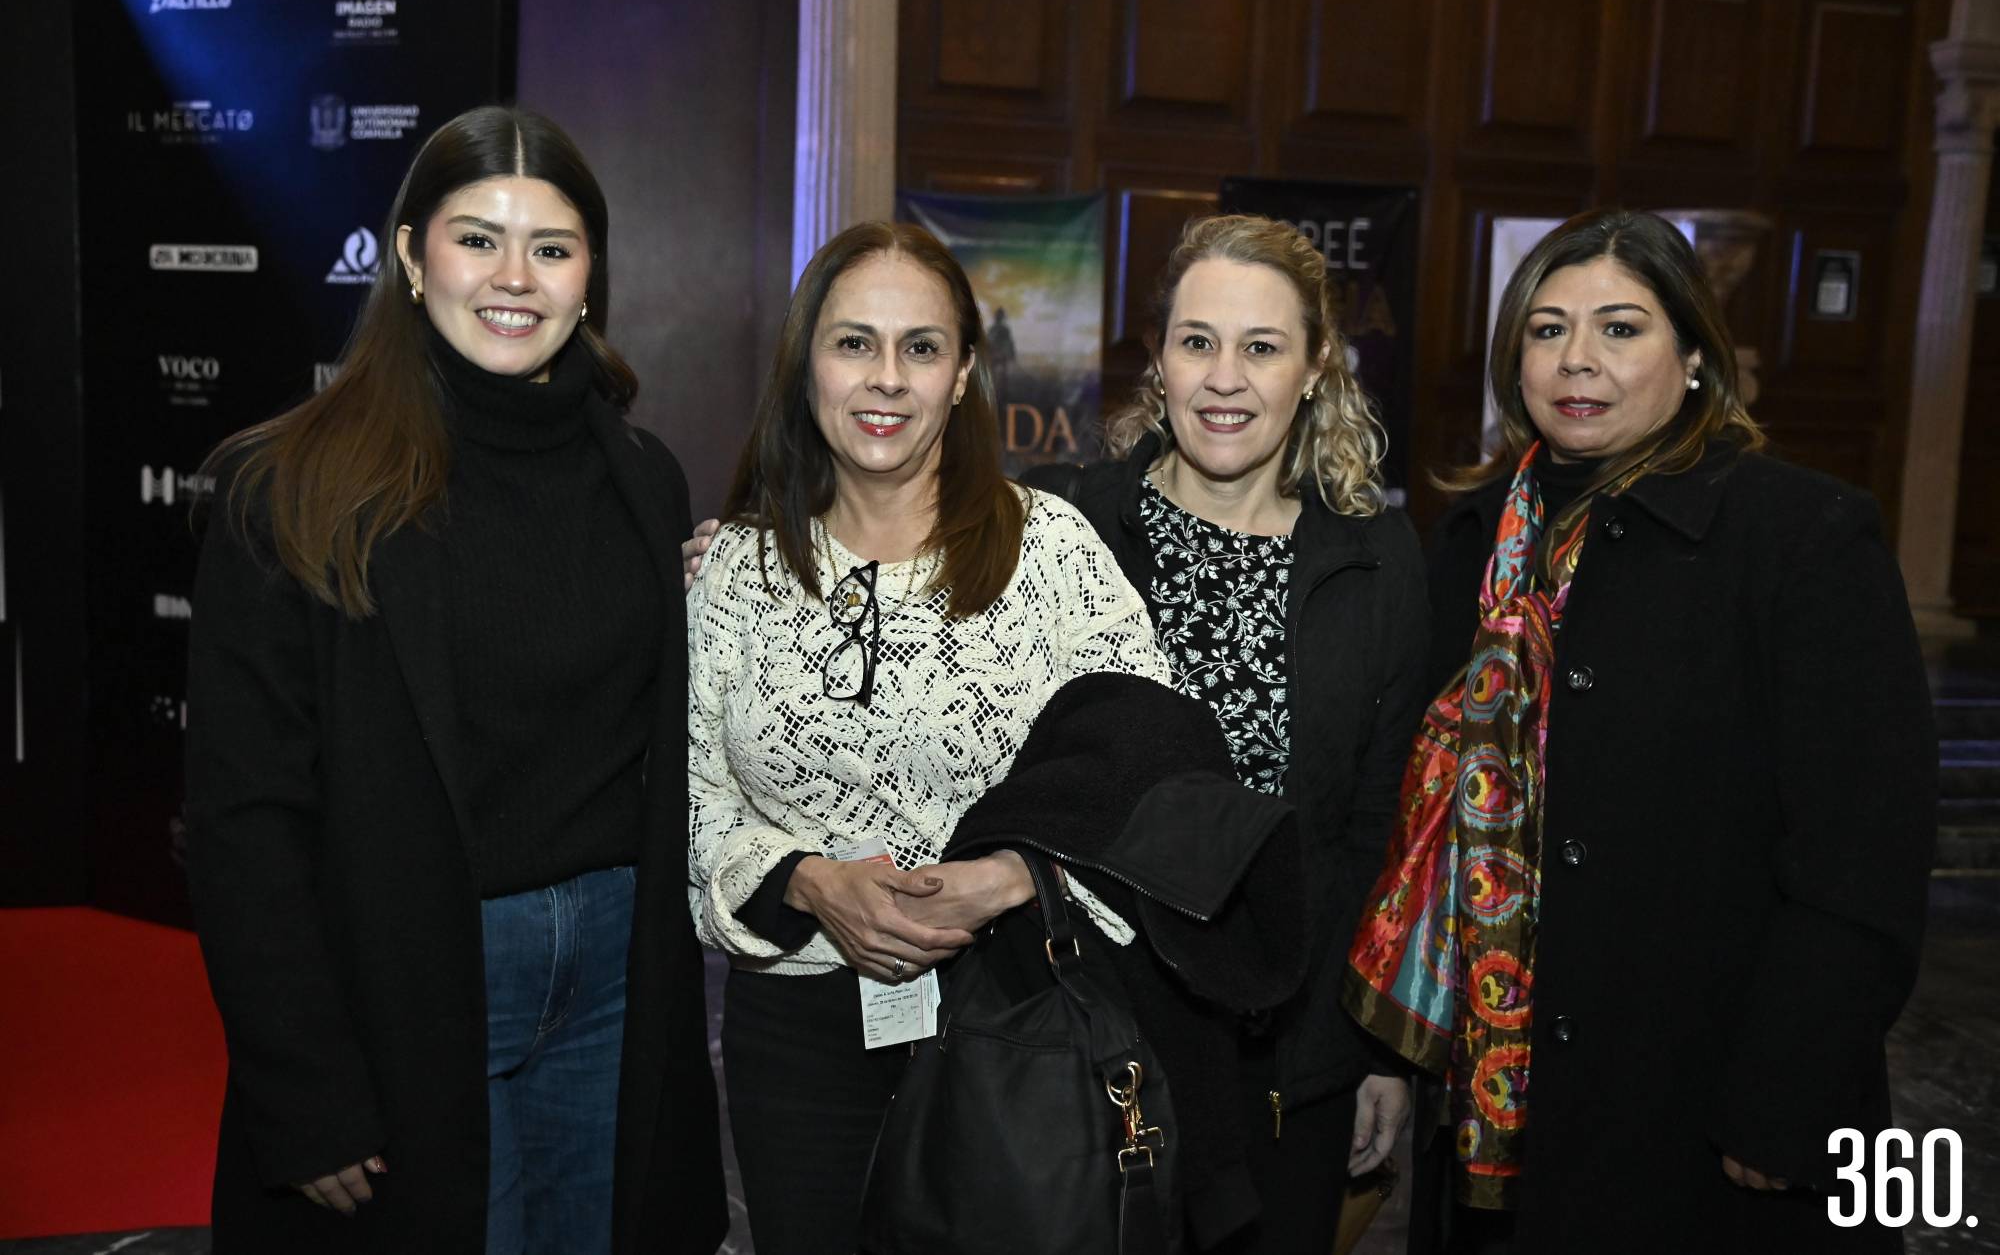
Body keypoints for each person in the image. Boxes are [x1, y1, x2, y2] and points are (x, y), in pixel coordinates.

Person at [184, 106, 725, 1254]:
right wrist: (301, 1084)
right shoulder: (287, 490)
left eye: (553, 245)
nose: (513, 277)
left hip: (618, 977)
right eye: (477, 238)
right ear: (409, 254)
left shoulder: (644, 477)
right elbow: (245, 821)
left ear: (591, 276)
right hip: (409, 978)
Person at [1346, 209, 1936, 1254]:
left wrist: (1784, 1091)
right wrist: (1389, 1049)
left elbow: (1863, 852)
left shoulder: (1799, 538)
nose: (1576, 358)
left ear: (1696, 357)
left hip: (1714, 1110)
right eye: (1545, 328)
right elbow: (1418, 826)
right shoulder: (1473, 540)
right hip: (1501, 1110)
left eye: (1620, 327)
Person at [686, 220, 1189, 1255]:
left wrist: (1011, 873)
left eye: (919, 347)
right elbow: (689, 802)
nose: (885, 379)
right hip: (797, 1045)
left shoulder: (1049, 550)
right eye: (853, 342)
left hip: (1013, 1023)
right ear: (806, 363)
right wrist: (809, 880)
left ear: (962, 372)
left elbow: (1154, 772)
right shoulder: (734, 568)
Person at [1020, 213, 1428, 1254]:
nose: (1223, 376)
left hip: (1291, 1045)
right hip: (1101, 1034)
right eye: (1196, 340)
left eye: (1260, 345)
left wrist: (1378, 1053)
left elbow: (1387, 826)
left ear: (1314, 365)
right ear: (1156, 358)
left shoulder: (1376, 559)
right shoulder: (1073, 530)